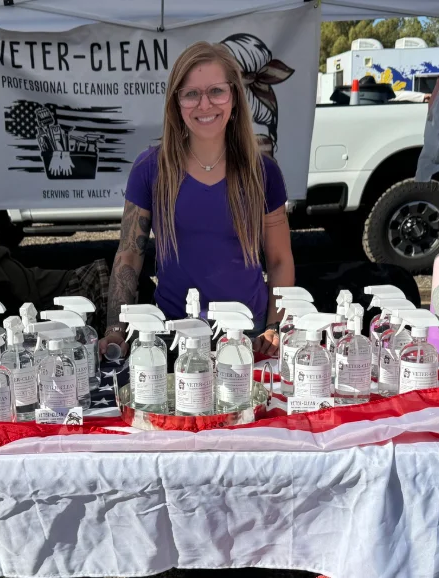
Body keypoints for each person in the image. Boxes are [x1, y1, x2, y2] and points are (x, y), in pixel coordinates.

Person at [99, 41, 295, 359]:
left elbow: (279, 261)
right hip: (175, 337)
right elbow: (129, 256)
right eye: (191, 94)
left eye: (216, 91)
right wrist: (115, 330)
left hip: (248, 335)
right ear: (177, 102)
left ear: (233, 98)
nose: (205, 105)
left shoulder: (264, 172)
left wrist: (275, 328)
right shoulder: (150, 168)